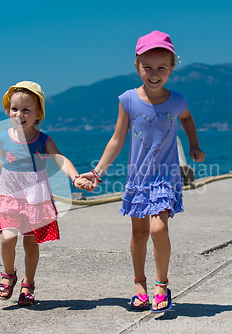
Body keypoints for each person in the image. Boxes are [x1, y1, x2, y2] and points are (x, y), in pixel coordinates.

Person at [82, 31, 205, 313]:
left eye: (162, 67)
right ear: (136, 66)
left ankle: (162, 285)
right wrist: (97, 172)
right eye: (147, 66)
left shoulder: (177, 101)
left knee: (158, 227)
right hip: (137, 180)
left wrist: (194, 144)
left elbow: (186, 118)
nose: (154, 73)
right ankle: (140, 284)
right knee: (139, 234)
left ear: (172, 68)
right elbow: (117, 139)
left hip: (165, 179)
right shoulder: (127, 100)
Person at [0, 81, 91, 306]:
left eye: (26, 110)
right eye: (14, 109)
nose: (19, 114)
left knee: (31, 244)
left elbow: (60, 159)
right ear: (7, 111)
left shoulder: (43, 140)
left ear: (38, 114)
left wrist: (76, 177)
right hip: (10, 196)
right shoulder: (3, 138)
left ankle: (28, 283)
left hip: (35, 198)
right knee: (8, 238)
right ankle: (8, 274)